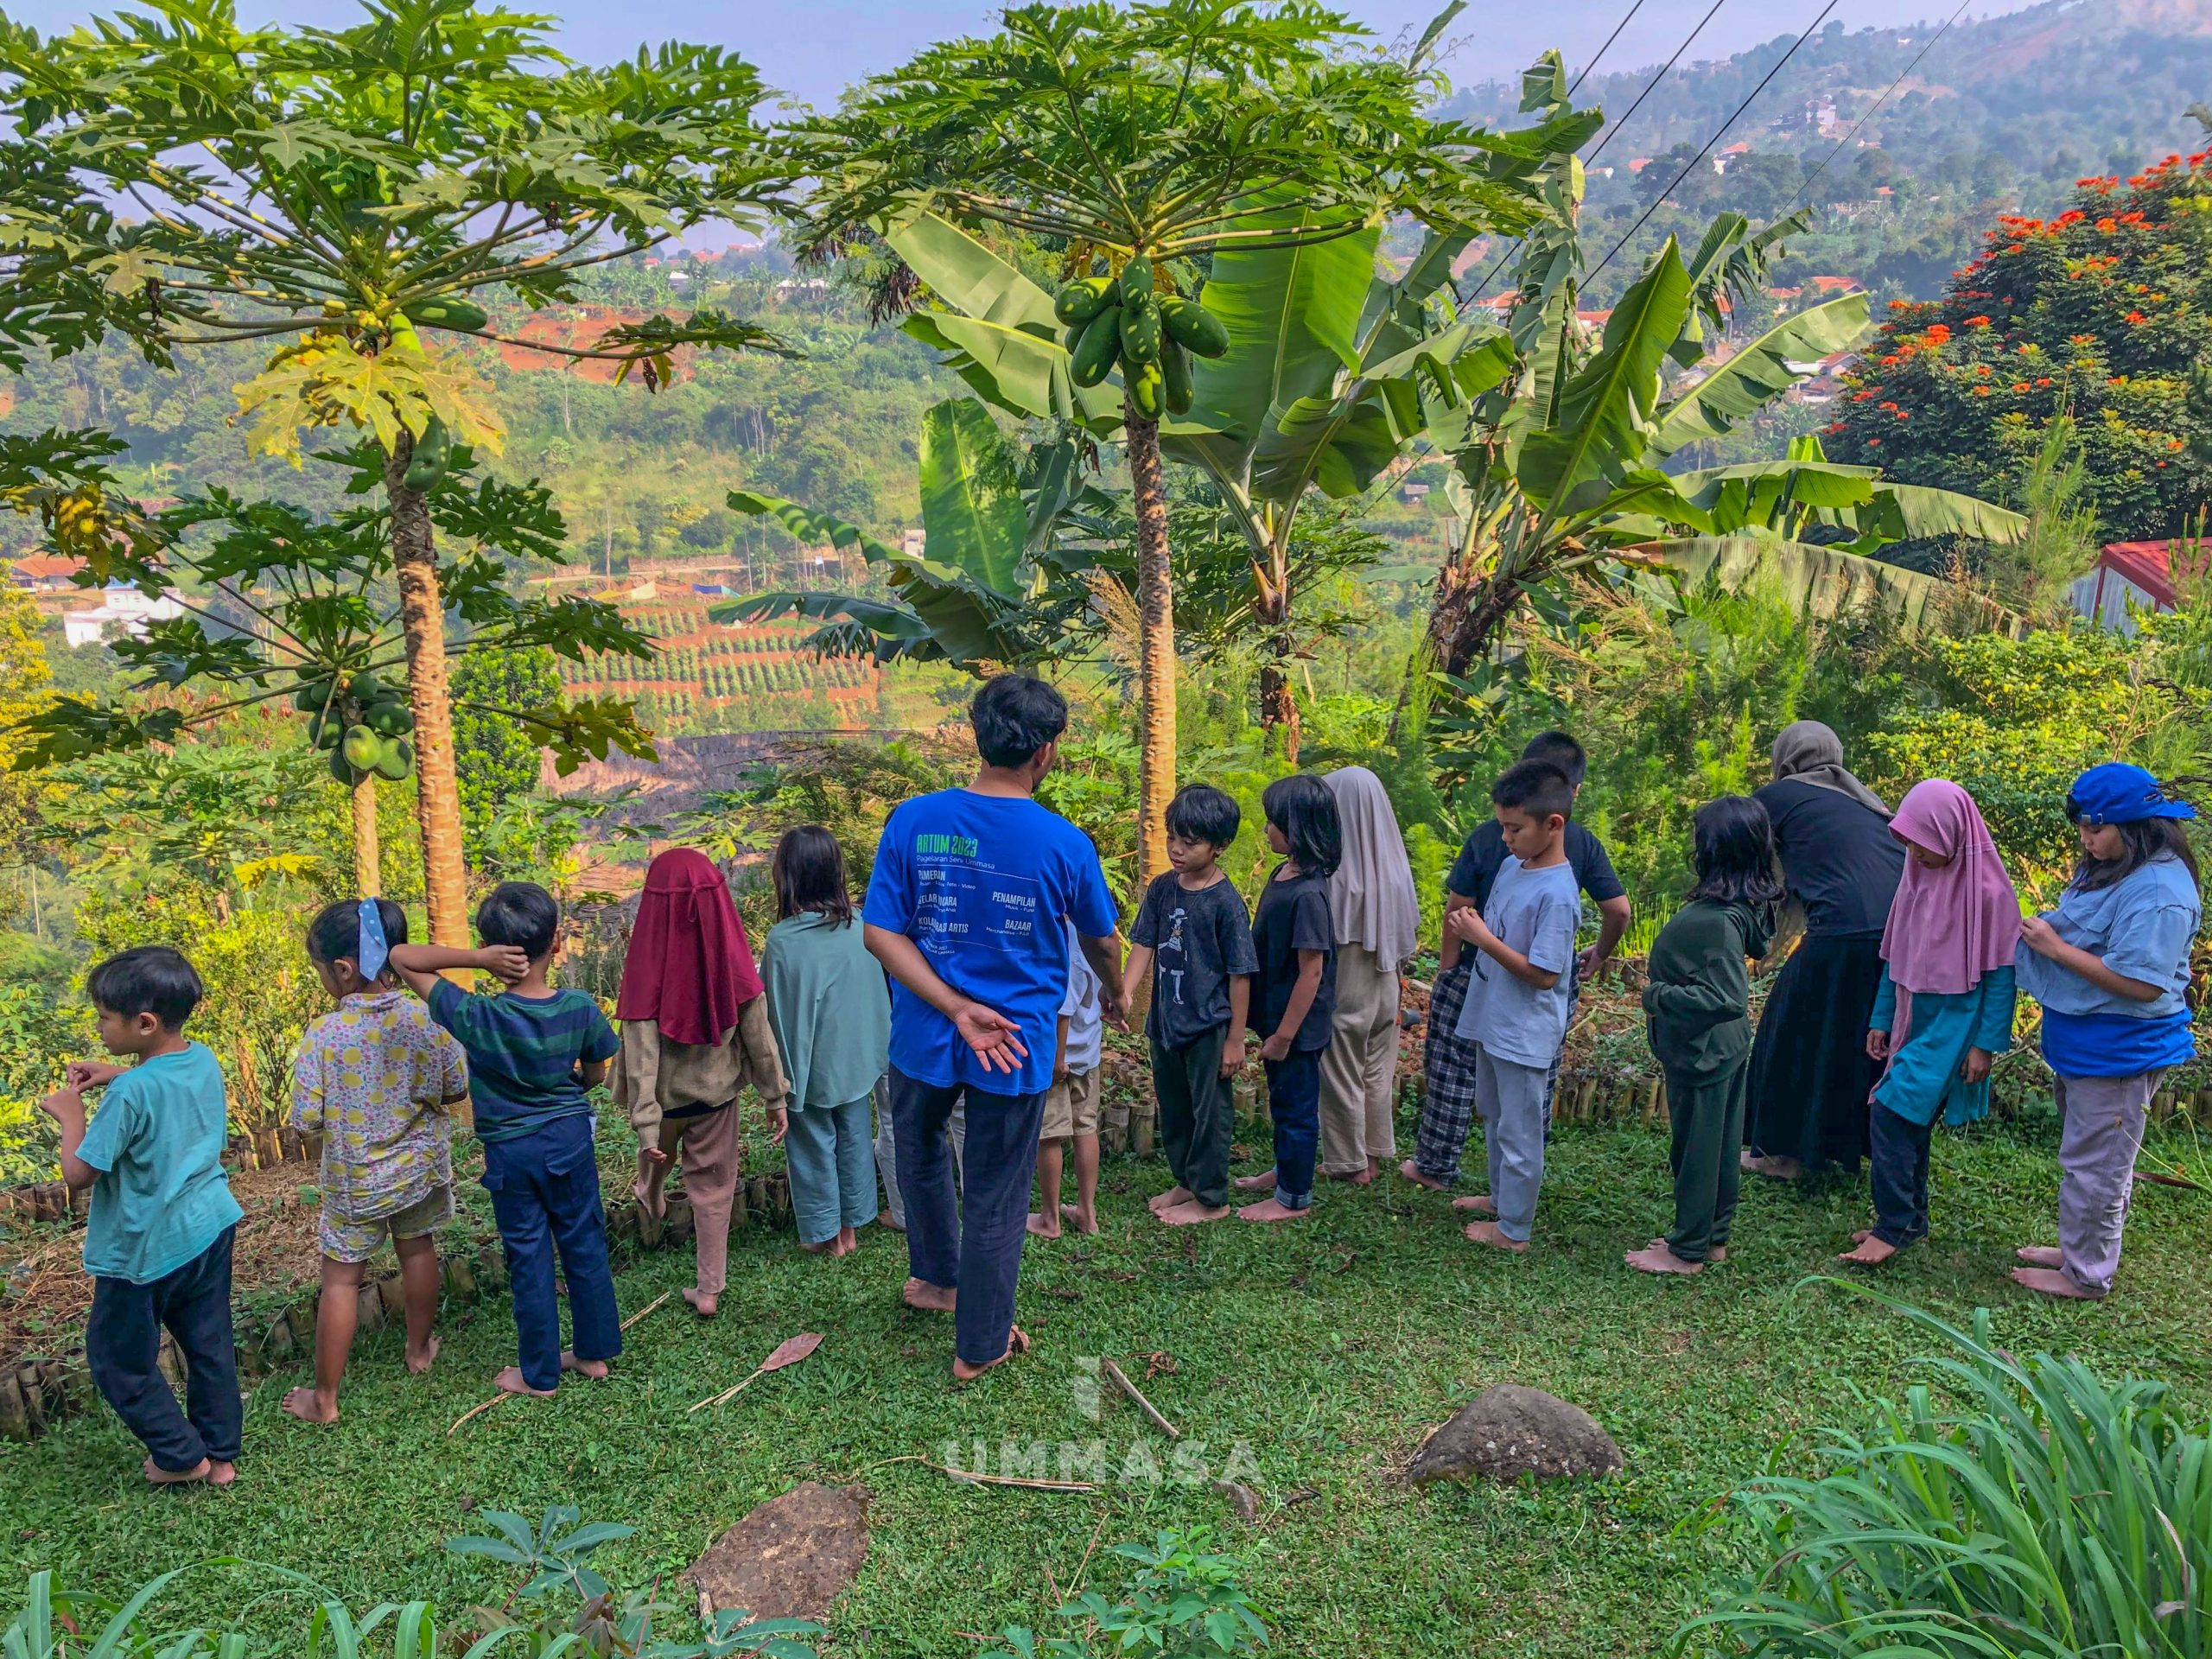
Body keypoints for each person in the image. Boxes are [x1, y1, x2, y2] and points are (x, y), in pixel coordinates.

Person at [862, 674, 1125, 1381]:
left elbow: (880, 932)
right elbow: (1101, 941)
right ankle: (979, 1345)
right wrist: (1115, 991)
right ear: (1045, 752)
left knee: (918, 1154)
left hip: (922, 1036)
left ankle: (937, 1280)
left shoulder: (913, 820)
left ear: (979, 737)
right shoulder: (1064, 843)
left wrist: (951, 1006)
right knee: (997, 1190)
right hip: (1014, 1043)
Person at [388, 882, 622, 1397]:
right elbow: (596, 1073)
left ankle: (539, 1375)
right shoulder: (580, 1007)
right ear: (556, 941)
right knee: (584, 1243)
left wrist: (477, 959)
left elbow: (401, 957)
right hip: (569, 1140)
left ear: (494, 947)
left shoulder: (478, 1016)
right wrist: (573, 1088)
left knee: (529, 1257)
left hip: (511, 1155)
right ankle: (593, 1354)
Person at [36, 947, 242, 1486]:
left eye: (105, 1017)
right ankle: (220, 1455)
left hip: (146, 1248)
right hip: (209, 1226)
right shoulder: (201, 1057)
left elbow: (80, 1174)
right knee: (208, 1343)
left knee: (117, 1358)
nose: (99, 1027)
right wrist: (120, 1072)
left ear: (145, 1023)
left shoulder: (130, 1091)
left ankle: (181, 1456)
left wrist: (71, 1115)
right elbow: (164, 1086)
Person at [1406, 731, 1629, 1190]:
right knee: (1530, 1085)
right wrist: (1599, 953)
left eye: (1515, 828)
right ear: (1575, 789)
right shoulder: (1578, 843)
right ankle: (1510, 1181)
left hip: (1484, 971)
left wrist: (1449, 970)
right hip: (1538, 987)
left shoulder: (1493, 838)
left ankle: (1439, 1166)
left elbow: (1458, 907)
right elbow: (1619, 910)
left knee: (1452, 1071)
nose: (1510, 836)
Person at [2012, 763, 2201, 1300]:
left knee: (2097, 1169)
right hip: (2089, 1045)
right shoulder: (2117, 865)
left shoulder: (2160, 891)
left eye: (2095, 828)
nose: (2085, 839)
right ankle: (2079, 1250)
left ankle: (2087, 1274)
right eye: (2082, 827)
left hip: (2121, 1051)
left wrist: (2054, 949)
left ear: (2135, 825)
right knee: (2092, 1159)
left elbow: (2142, 984)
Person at [284, 899, 469, 1423]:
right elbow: (457, 1086)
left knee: (341, 1281)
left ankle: (325, 1399)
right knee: (418, 1250)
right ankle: (418, 1350)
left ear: (343, 969)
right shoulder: (428, 1016)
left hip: (355, 1183)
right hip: (418, 1172)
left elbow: (306, 1119)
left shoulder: (324, 1033)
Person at [1841, 781, 2019, 1267]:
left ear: (1952, 833)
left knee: (1891, 1113)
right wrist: (1882, 1018)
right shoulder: (1914, 880)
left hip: (1954, 1027)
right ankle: (1909, 1221)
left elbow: (2002, 977)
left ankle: (1893, 1225)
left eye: (1923, 841)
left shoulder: (1990, 894)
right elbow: (1894, 956)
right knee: (1909, 1120)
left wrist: (1984, 1045)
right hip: (1911, 1019)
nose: (1914, 851)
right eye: (1907, 840)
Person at [613, 849, 790, 1311]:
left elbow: (641, 1052)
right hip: (714, 1097)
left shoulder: (645, 959)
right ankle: (709, 1288)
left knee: (658, 1151)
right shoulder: (733, 957)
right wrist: (775, 1096)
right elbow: (759, 1034)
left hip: (663, 1100)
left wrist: (645, 1122)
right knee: (713, 1188)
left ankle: (650, 1188)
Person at [1744, 721, 1905, 1180]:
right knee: (1855, 1038)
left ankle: (1784, 1156)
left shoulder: (1775, 797)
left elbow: (1747, 867)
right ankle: (1841, 1149)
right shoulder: (1867, 802)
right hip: (1899, 937)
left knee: (1789, 1029)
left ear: (1785, 758)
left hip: (1842, 931)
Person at [1625, 798, 1780, 1276]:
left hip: (1702, 1053)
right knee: (1719, 1147)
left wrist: (1657, 994)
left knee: (1695, 1151)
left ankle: (1687, 1249)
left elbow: (1726, 998)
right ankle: (1711, 1238)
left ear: (1710, 850)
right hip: (1724, 1048)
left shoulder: (1715, 921)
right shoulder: (1742, 909)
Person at [1443, 760, 1584, 1252]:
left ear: (1554, 824)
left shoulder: (1558, 895)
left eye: (1515, 829)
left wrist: (1481, 938)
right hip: (1493, 1016)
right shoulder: (1511, 867)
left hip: (1525, 1030)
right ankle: (1502, 1199)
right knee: (1494, 1112)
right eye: (1502, 826)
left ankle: (1515, 1229)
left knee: (1521, 1130)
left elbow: (1545, 975)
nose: (1505, 838)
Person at [1130, 785, 1257, 1227]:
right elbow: (1143, 944)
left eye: (1190, 842)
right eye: (1172, 838)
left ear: (1220, 846)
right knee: (1174, 1107)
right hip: (1166, 1022)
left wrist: (1235, 1039)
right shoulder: (1163, 888)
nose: (1176, 850)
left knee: (1210, 1114)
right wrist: (1122, 993)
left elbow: (1241, 974)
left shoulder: (1226, 903)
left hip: (1208, 1027)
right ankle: (1186, 1181)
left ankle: (1212, 1198)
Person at [763, 826, 888, 1258]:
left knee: (812, 1144)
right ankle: (850, 1227)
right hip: (857, 1059)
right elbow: (875, 997)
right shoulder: (861, 926)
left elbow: (778, 1017)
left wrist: (777, 1083)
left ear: (788, 876)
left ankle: (826, 1232)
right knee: (854, 1137)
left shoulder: (783, 941)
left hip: (809, 1063)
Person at [1234, 774, 1341, 1224]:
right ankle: (1283, 1172)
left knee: (1296, 1109)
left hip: (1296, 1027)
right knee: (1281, 1101)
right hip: (1276, 1014)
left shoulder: (1310, 894)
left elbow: (1312, 972)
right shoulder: (1284, 874)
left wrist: (1283, 1036)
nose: (1266, 830)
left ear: (1298, 829)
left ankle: (1293, 1197)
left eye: (1273, 822)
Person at [1319, 767, 1419, 1186]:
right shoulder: (1396, 869)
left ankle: (1348, 1161)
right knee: (1377, 1067)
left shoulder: (1336, 876)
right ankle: (1374, 1154)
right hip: (1387, 978)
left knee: (1341, 1065)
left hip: (1349, 979)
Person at [1030, 899, 1107, 1239]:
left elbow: (1063, 1009)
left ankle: (1050, 1218)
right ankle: (1086, 1211)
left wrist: (1056, 1059)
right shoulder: (1098, 936)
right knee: (1085, 1127)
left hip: (1059, 1057)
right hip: (1088, 1051)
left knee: (1050, 1135)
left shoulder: (1067, 939)